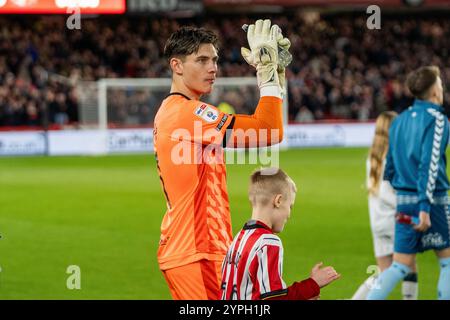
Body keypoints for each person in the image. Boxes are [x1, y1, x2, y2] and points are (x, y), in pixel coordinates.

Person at [153, 20, 291, 300]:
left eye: (214, 60)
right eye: (201, 60)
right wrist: (266, 77)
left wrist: (275, 79)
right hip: (197, 251)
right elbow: (269, 130)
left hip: (193, 249)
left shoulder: (177, 111)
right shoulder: (186, 113)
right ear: (176, 66)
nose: (212, 67)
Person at [367, 66, 450, 300]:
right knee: (447, 263)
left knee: (398, 266)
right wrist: (424, 206)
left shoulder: (399, 120)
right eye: (441, 85)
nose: (442, 89)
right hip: (432, 202)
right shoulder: (438, 119)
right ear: (434, 90)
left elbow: (390, 168)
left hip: (403, 202)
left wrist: (403, 192)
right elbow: (429, 164)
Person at [220, 167, 341, 300]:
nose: (289, 214)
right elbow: (273, 299)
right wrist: (313, 284)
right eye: (290, 206)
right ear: (278, 201)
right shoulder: (267, 242)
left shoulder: (239, 240)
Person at [352, 111, 419, 300]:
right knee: (409, 265)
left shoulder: (373, 157)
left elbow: (378, 192)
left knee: (384, 271)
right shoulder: (395, 157)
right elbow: (389, 194)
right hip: (396, 220)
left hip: (377, 222)